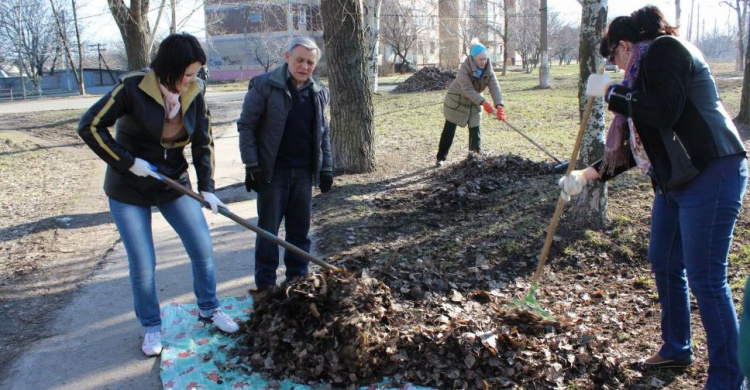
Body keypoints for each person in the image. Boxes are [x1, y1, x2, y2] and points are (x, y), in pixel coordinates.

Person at [558, 6, 747, 389]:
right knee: (663, 259)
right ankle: (677, 346)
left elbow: (663, 111)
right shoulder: (640, 77)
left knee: (706, 278)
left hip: (712, 172)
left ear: (625, 46)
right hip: (675, 182)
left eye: (613, 58)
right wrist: (587, 174)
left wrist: (613, 93)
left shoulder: (666, 51)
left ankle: (729, 377)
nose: (615, 67)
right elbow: (638, 145)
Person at [77, 33, 239, 357]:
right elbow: (90, 126)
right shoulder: (133, 87)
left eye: (197, 73)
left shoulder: (195, 92)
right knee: (143, 263)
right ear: (171, 67)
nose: (194, 79)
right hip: (129, 188)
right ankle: (152, 327)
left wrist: (207, 187)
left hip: (173, 182)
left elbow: (203, 142)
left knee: (202, 248)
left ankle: (209, 308)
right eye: (189, 73)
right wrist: (127, 162)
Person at [237, 36, 333, 291]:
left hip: (303, 175)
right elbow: (246, 126)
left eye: (310, 62)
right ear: (287, 56)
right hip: (272, 174)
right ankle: (266, 290)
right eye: (300, 59)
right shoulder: (263, 85)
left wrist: (326, 168)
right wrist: (252, 165)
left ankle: (297, 285)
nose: (305, 66)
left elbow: (323, 132)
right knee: (268, 234)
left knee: (299, 235)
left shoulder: (319, 91)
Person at [435, 38, 506, 167]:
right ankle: (441, 157)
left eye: (485, 59)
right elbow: (467, 89)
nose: (483, 62)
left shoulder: (489, 70)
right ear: (473, 59)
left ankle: (475, 159)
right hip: (457, 101)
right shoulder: (464, 69)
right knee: (449, 129)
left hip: (475, 103)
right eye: (481, 60)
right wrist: (484, 103)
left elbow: (495, 87)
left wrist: (499, 105)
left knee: (475, 130)